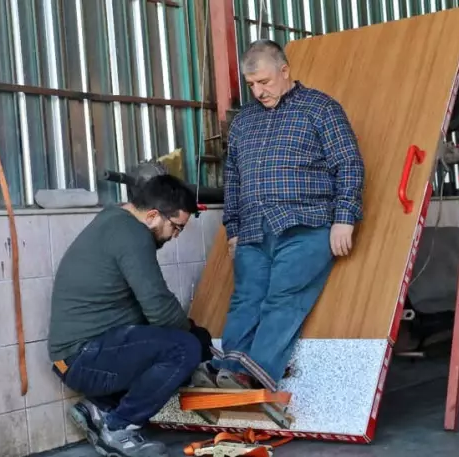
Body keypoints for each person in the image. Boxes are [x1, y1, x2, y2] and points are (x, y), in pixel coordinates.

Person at [193, 39, 365, 390]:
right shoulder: (244, 122)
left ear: (285, 71)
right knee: (245, 300)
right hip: (253, 230)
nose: (258, 91)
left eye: (264, 82)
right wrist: (234, 230)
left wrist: (344, 218)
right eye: (251, 84)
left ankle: (254, 374)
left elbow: (348, 164)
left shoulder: (320, 108)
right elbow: (234, 180)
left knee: (283, 299)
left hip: (306, 225)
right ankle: (227, 370)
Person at [47, 174, 213, 457]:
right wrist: (197, 339)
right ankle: (119, 427)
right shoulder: (133, 236)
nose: (174, 236)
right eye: (175, 227)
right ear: (153, 215)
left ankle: (100, 406)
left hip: (77, 355)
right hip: (83, 358)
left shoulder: (115, 221)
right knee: (184, 348)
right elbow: (159, 306)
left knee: (175, 341)